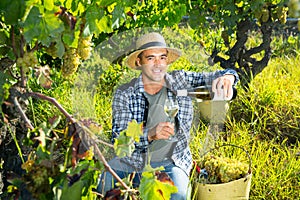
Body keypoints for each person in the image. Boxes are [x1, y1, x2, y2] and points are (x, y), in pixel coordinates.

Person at [97, 32, 239, 199]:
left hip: (172, 161)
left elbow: (223, 74)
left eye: (162, 58)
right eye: (151, 58)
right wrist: (149, 134)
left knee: (178, 196)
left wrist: (228, 78)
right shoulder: (124, 93)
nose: (158, 64)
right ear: (138, 62)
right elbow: (119, 139)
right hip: (133, 160)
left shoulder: (180, 80)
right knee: (103, 183)